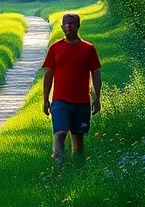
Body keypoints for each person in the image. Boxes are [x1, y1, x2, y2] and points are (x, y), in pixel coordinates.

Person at [42, 13, 102, 165]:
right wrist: (45, 100)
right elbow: (48, 76)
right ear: (61, 26)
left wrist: (97, 98)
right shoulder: (55, 48)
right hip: (60, 101)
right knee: (60, 133)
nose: (68, 26)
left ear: (78, 26)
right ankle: (58, 168)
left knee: (78, 138)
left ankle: (78, 169)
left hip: (82, 101)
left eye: (72, 23)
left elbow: (95, 73)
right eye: (66, 23)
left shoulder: (88, 49)